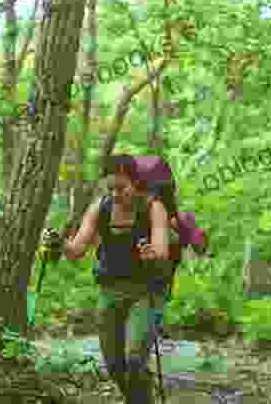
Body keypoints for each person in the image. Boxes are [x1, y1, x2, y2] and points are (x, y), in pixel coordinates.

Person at [65, 154, 173, 404]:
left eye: (121, 188)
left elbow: (162, 251)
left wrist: (151, 255)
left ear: (136, 184)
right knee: (114, 365)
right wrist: (59, 243)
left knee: (134, 358)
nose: (115, 194)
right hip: (110, 291)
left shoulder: (153, 207)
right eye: (110, 188)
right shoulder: (100, 207)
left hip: (146, 292)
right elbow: (76, 250)